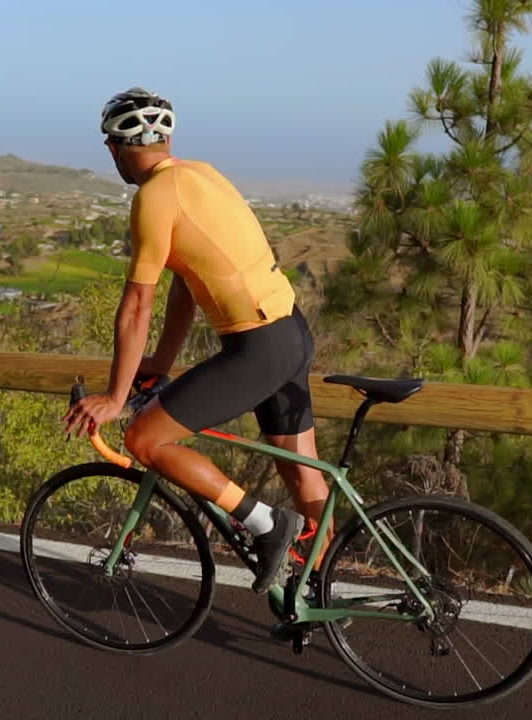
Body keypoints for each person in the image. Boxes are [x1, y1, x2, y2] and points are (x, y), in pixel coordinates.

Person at [64, 87, 327, 594]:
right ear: (164, 138)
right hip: (290, 331)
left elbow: (137, 307)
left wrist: (117, 399)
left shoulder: (153, 198)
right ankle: (318, 589)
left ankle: (266, 526)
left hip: (257, 346)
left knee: (144, 438)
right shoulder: (202, 174)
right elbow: (185, 283)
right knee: (303, 475)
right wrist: (160, 363)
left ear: (115, 147)